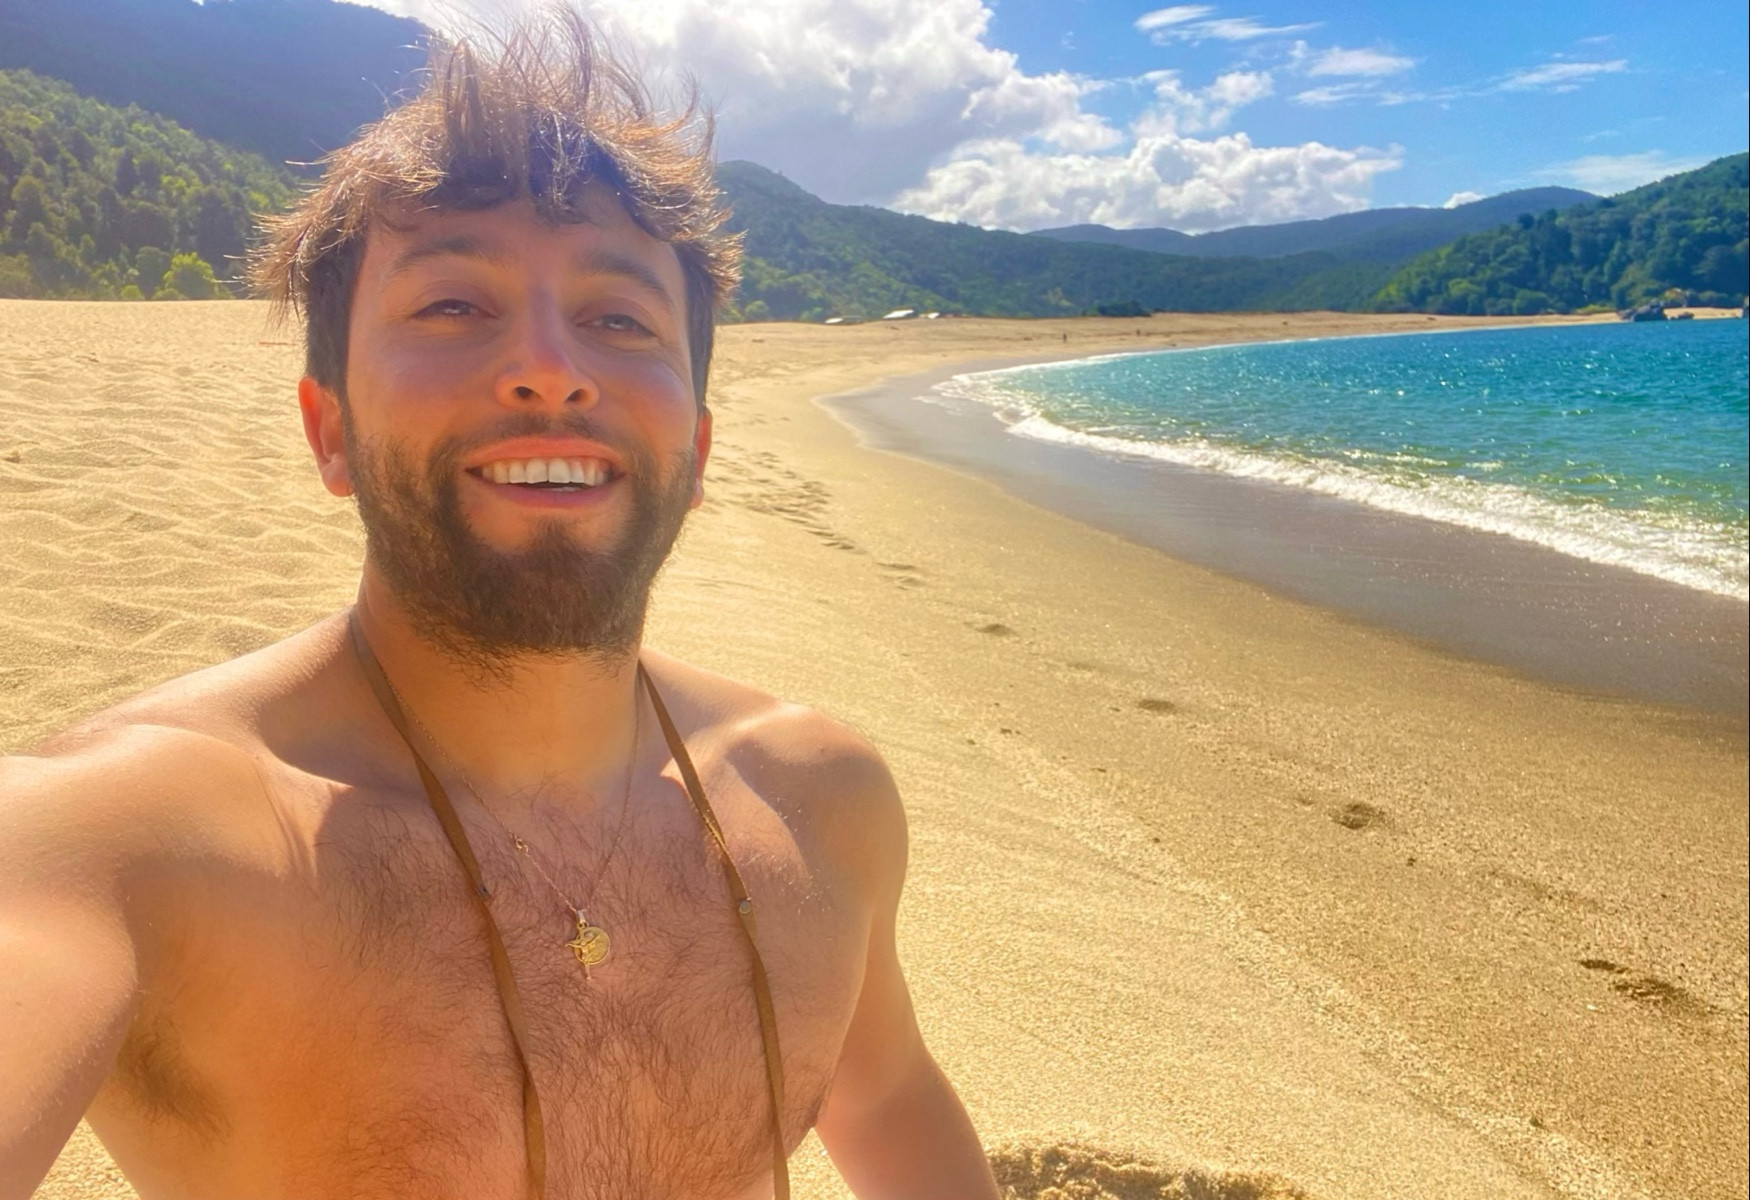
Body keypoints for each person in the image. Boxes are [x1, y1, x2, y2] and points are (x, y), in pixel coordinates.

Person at [0, 13, 1001, 1199]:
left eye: (619, 319)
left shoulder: (819, 802)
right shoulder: (122, 847)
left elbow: (886, 1099)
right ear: (332, 432)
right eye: (452, 306)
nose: (549, 369)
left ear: (695, 449)